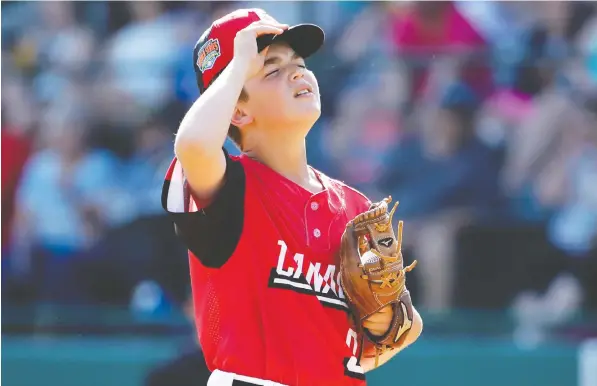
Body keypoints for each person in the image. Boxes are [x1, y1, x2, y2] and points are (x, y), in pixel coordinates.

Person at [162, 8, 423, 386]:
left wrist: (389, 325)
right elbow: (192, 144)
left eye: (299, 63)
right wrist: (237, 66)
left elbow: (403, 330)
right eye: (272, 69)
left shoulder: (354, 208)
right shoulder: (231, 185)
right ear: (236, 108)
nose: (298, 72)